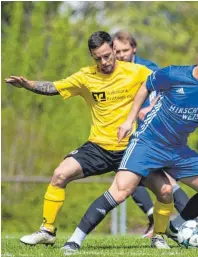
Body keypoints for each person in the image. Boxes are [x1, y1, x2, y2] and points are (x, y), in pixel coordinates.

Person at [61, 38, 198, 252]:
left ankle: (172, 228)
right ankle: (75, 239)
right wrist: (129, 120)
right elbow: (145, 87)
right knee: (121, 190)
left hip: (178, 150)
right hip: (148, 142)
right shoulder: (173, 74)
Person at [5, 31, 171, 247]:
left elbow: (166, 84)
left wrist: (153, 107)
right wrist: (28, 85)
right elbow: (54, 87)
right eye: (97, 58)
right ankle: (47, 230)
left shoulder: (136, 71)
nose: (103, 62)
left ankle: (159, 236)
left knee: (165, 189)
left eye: (106, 56)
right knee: (59, 174)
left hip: (132, 149)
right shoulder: (86, 77)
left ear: (113, 49)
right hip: (98, 147)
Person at [112, 30, 190, 238]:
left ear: (134, 48)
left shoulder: (148, 68)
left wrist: (150, 107)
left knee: (163, 180)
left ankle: (189, 220)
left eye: (125, 50)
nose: (120, 55)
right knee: (130, 174)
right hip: (131, 131)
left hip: (154, 130)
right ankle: (161, 219)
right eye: (116, 51)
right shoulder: (115, 70)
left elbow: (167, 87)